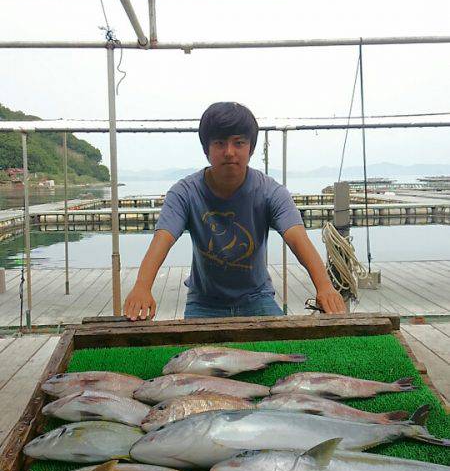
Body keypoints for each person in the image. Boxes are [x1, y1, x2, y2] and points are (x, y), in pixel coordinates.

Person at [124, 102, 346, 320]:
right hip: (204, 302)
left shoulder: (270, 191)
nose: (229, 152)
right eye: (219, 143)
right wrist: (142, 287)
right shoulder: (185, 193)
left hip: (257, 297)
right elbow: (163, 237)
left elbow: (298, 238)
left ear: (250, 149)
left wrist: (325, 286)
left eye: (239, 143)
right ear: (206, 149)